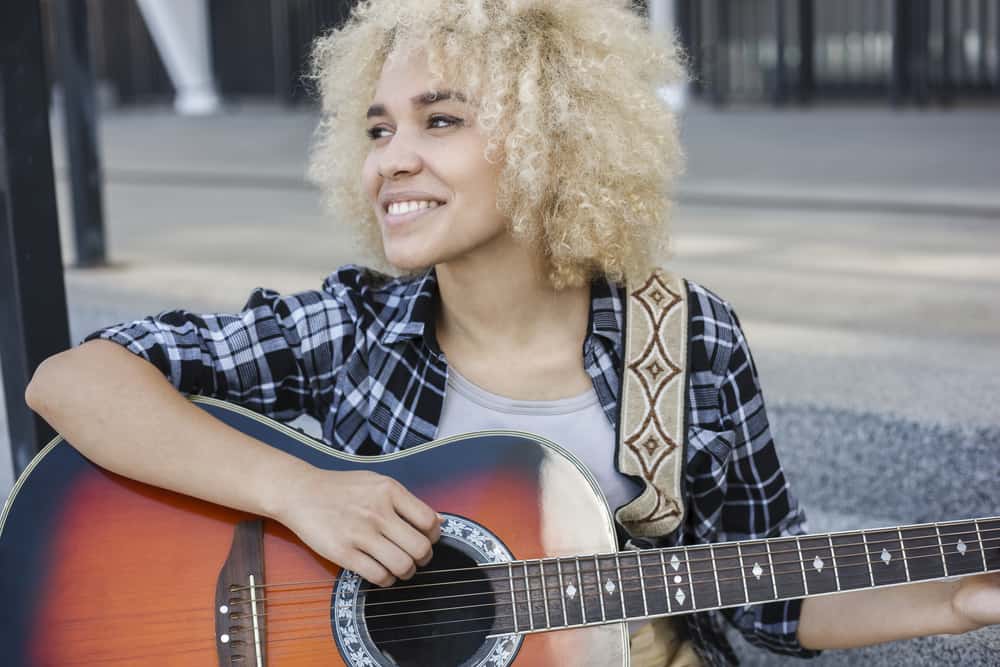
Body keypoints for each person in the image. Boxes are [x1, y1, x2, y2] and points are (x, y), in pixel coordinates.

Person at [24, 1, 997, 665]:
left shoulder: (687, 343)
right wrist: (299, 491)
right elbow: (74, 380)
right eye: (375, 129)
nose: (391, 160)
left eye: (438, 121)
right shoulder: (355, 328)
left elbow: (770, 589)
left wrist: (956, 602)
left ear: (553, 140)